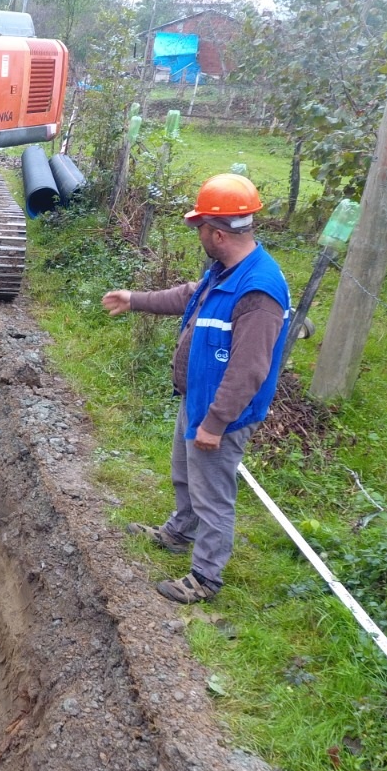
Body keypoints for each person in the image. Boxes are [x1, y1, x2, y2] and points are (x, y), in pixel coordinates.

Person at [100, 173, 290, 604]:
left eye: (200, 227)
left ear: (218, 234)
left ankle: (205, 577)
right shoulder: (225, 271)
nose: (198, 234)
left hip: (220, 413)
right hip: (198, 398)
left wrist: (216, 423)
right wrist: (136, 299)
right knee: (185, 476)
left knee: (213, 495)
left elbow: (249, 369)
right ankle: (178, 533)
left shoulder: (258, 291)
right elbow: (189, 296)